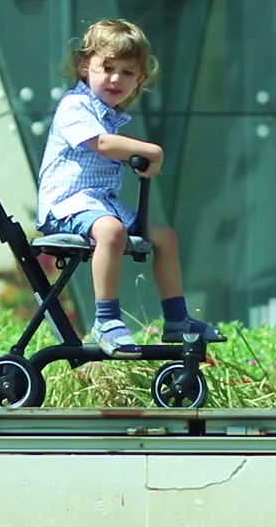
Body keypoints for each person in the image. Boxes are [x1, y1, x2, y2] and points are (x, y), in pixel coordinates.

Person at [34, 19, 225, 357]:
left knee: (164, 237)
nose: (115, 79)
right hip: (67, 206)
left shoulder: (109, 114)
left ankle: (177, 320)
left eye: (127, 72)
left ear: (139, 79)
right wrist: (151, 151)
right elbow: (103, 145)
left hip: (101, 204)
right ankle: (106, 320)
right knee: (110, 232)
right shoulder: (74, 106)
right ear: (83, 65)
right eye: (107, 67)